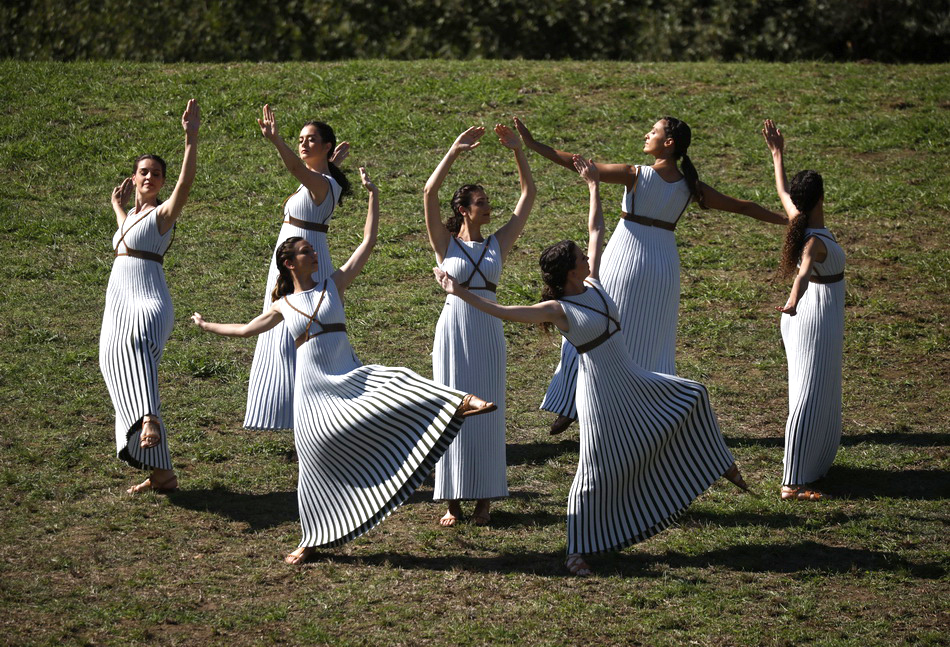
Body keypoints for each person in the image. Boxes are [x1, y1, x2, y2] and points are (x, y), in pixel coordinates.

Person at [433, 155, 748, 576]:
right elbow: (507, 311)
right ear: (568, 271)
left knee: (693, 393)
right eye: (581, 257)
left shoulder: (596, 283)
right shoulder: (557, 308)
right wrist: (459, 293)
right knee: (592, 472)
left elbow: (597, 230)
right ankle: (576, 551)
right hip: (598, 392)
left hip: (632, 378)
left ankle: (716, 460)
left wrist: (595, 187)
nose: (589, 257)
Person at [192, 168, 496, 564]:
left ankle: (458, 400)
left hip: (348, 376)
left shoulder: (332, 284)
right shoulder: (283, 305)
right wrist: (204, 324)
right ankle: (310, 539)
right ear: (289, 263)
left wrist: (373, 197)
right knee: (312, 468)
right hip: (311, 391)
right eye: (305, 251)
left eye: (312, 250)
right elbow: (245, 330)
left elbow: (367, 243)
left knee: (396, 379)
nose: (314, 253)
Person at [514, 117, 786, 434]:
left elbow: (578, 164)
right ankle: (646, 413)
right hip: (662, 267)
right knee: (651, 339)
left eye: (654, 132)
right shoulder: (689, 187)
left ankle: (573, 403)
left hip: (624, 258)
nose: (647, 134)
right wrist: (789, 220)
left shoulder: (637, 175)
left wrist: (534, 146)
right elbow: (744, 207)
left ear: (668, 143)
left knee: (587, 321)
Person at [424, 124, 536, 527]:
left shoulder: (496, 244)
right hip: (453, 328)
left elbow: (528, 197)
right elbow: (429, 194)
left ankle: (485, 501)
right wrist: (453, 150)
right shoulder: (446, 243)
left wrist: (518, 151)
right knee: (451, 407)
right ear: (464, 210)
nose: (489, 207)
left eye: (488, 201)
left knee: (489, 408)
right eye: (482, 202)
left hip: (489, 330)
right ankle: (452, 501)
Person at [99, 99, 200, 495]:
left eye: (156, 174)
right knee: (112, 361)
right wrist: (115, 206)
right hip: (118, 305)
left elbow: (185, 187)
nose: (150, 177)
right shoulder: (133, 218)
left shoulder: (161, 216)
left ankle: (148, 419)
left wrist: (190, 140)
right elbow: (124, 233)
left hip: (146, 302)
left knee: (138, 357)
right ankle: (162, 474)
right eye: (144, 171)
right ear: (134, 175)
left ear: (161, 181)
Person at [244, 105, 351, 431]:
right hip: (293, 258)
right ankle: (296, 413)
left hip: (302, 261)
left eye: (311, 140)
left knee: (296, 331)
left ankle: (317, 411)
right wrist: (333, 163)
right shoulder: (324, 180)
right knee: (286, 330)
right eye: (300, 139)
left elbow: (295, 169)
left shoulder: (323, 183)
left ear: (327, 145)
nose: (303, 144)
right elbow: (313, 181)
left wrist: (277, 140)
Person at [763, 119, 845, 501]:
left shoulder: (797, 218)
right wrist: (794, 301)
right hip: (811, 316)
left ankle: (811, 466)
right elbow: (803, 275)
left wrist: (777, 153)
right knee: (809, 394)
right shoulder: (812, 240)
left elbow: (781, 189)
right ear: (822, 198)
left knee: (818, 388)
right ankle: (791, 481)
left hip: (815, 315)